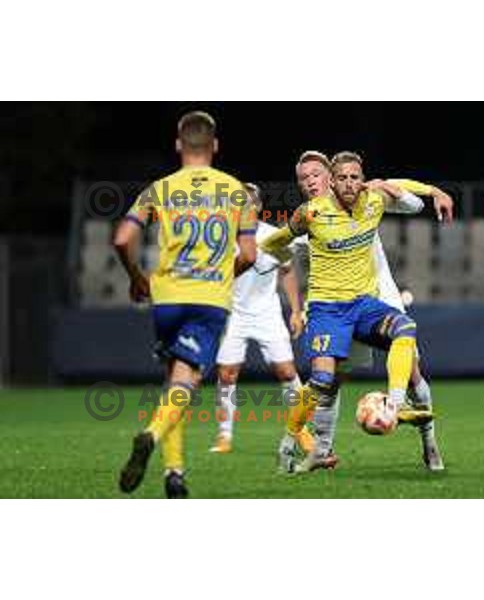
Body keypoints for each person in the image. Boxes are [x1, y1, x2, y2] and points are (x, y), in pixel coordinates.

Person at [263, 152, 452, 473]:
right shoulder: (309, 217)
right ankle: (319, 449)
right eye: (302, 178)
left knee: (411, 369)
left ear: (329, 177)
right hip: (332, 307)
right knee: (328, 380)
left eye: (314, 174)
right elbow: (276, 245)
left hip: (378, 297)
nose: (309, 181)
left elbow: (401, 193)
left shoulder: (367, 199)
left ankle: (427, 442)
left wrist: (433, 191)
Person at [114, 111, 257, 498]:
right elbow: (248, 254)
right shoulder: (236, 191)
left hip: (167, 298)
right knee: (186, 385)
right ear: (215, 146)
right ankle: (151, 434)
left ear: (179, 144)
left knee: (172, 382)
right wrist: (222, 275)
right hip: (209, 301)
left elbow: (122, 238)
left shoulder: (159, 189)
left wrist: (137, 279)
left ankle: (174, 475)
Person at [210, 183, 311, 454]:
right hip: (235, 315)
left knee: (287, 372)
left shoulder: (273, 237)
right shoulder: (222, 239)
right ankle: (224, 435)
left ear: (259, 207)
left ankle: (302, 431)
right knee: (227, 374)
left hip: (268, 314)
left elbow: (287, 272)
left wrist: (296, 310)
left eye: (249, 203)